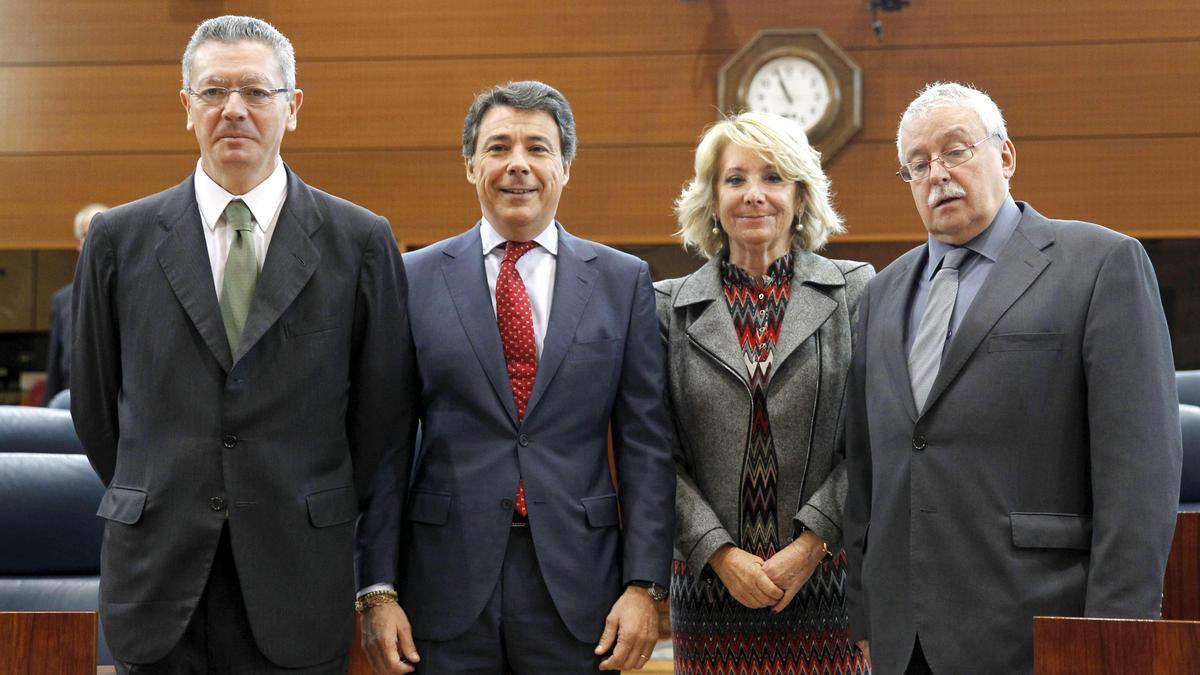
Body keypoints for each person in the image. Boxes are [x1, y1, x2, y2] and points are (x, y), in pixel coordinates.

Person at [71, 15, 414, 673]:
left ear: (293, 108)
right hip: (158, 578)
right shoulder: (120, 240)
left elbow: (381, 420)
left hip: (298, 573)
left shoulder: (361, 241)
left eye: (256, 92)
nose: (234, 109)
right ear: (186, 107)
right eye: (213, 91)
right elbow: (94, 407)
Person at [843, 81, 1182, 674]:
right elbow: (868, 475)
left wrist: (1116, 633)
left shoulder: (1100, 265)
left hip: (1042, 623)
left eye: (955, 151)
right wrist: (868, 615)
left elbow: (1140, 472)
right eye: (917, 165)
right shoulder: (880, 295)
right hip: (906, 638)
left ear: (1005, 156)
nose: (937, 174)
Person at [355, 80, 675, 674]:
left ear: (566, 166)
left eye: (538, 148)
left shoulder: (622, 280)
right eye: (499, 147)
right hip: (442, 584)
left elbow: (646, 445)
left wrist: (645, 585)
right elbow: (386, 444)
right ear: (471, 165)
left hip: (581, 587)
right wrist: (377, 588)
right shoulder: (412, 278)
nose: (518, 166)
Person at [655, 112, 872, 675]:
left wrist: (811, 546)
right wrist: (721, 555)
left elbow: (875, 440)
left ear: (801, 198)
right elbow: (653, 455)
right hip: (709, 595)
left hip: (829, 590)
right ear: (712, 199)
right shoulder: (664, 306)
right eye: (735, 179)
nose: (754, 195)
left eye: (774, 178)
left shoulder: (855, 291)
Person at [44, 202, 106, 405]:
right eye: (89, 234)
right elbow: (54, 366)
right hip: (69, 405)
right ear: (78, 243)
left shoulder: (134, 292)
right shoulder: (62, 300)